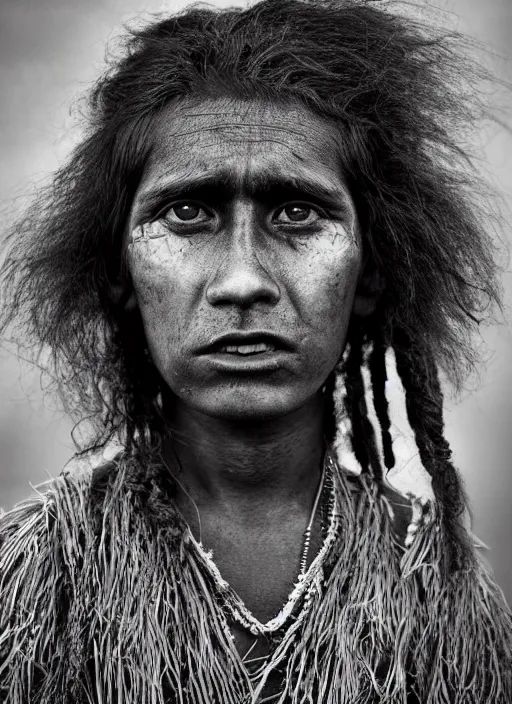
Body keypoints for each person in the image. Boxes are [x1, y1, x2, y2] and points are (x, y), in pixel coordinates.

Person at [0, 0, 511, 701]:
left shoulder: (439, 592)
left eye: (297, 212)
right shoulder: (31, 580)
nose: (242, 281)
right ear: (119, 272)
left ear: (374, 271)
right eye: (188, 212)